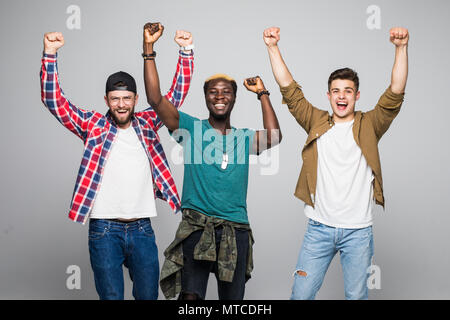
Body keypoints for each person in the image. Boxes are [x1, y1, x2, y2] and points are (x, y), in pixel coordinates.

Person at [39, 26, 194, 300]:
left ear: (135, 99)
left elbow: (175, 95)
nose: (121, 104)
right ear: (106, 101)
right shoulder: (94, 125)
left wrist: (185, 52)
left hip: (142, 228)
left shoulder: (147, 123)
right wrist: (50, 54)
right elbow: (55, 101)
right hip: (104, 230)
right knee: (111, 297)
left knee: (148, 296)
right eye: (115, 99)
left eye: (127, 98)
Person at [263, 26, 408, 299]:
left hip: (358, 232)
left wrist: (401, 48)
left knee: (356, 296)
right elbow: (290, 90)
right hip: (319, 228)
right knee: (301, 294)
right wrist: (272, 47)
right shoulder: (316, 120)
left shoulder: (371, 124)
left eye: (348, 91)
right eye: (336, 91)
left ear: (357, 96)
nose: (342, 96)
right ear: (328, 96)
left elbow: (395, 93)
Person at [142, 23, 282, 300]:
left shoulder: (243, 138)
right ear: (206, 97)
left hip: (235, 229)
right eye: (213, 93)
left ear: (234, 98)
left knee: (232, 302)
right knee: (189, 300)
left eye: (226, 92)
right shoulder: (190, 128)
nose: (220, 97)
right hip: (196, 226)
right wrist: (149, 49)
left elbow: (274, 136)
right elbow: (155, 98)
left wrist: (263, 94)